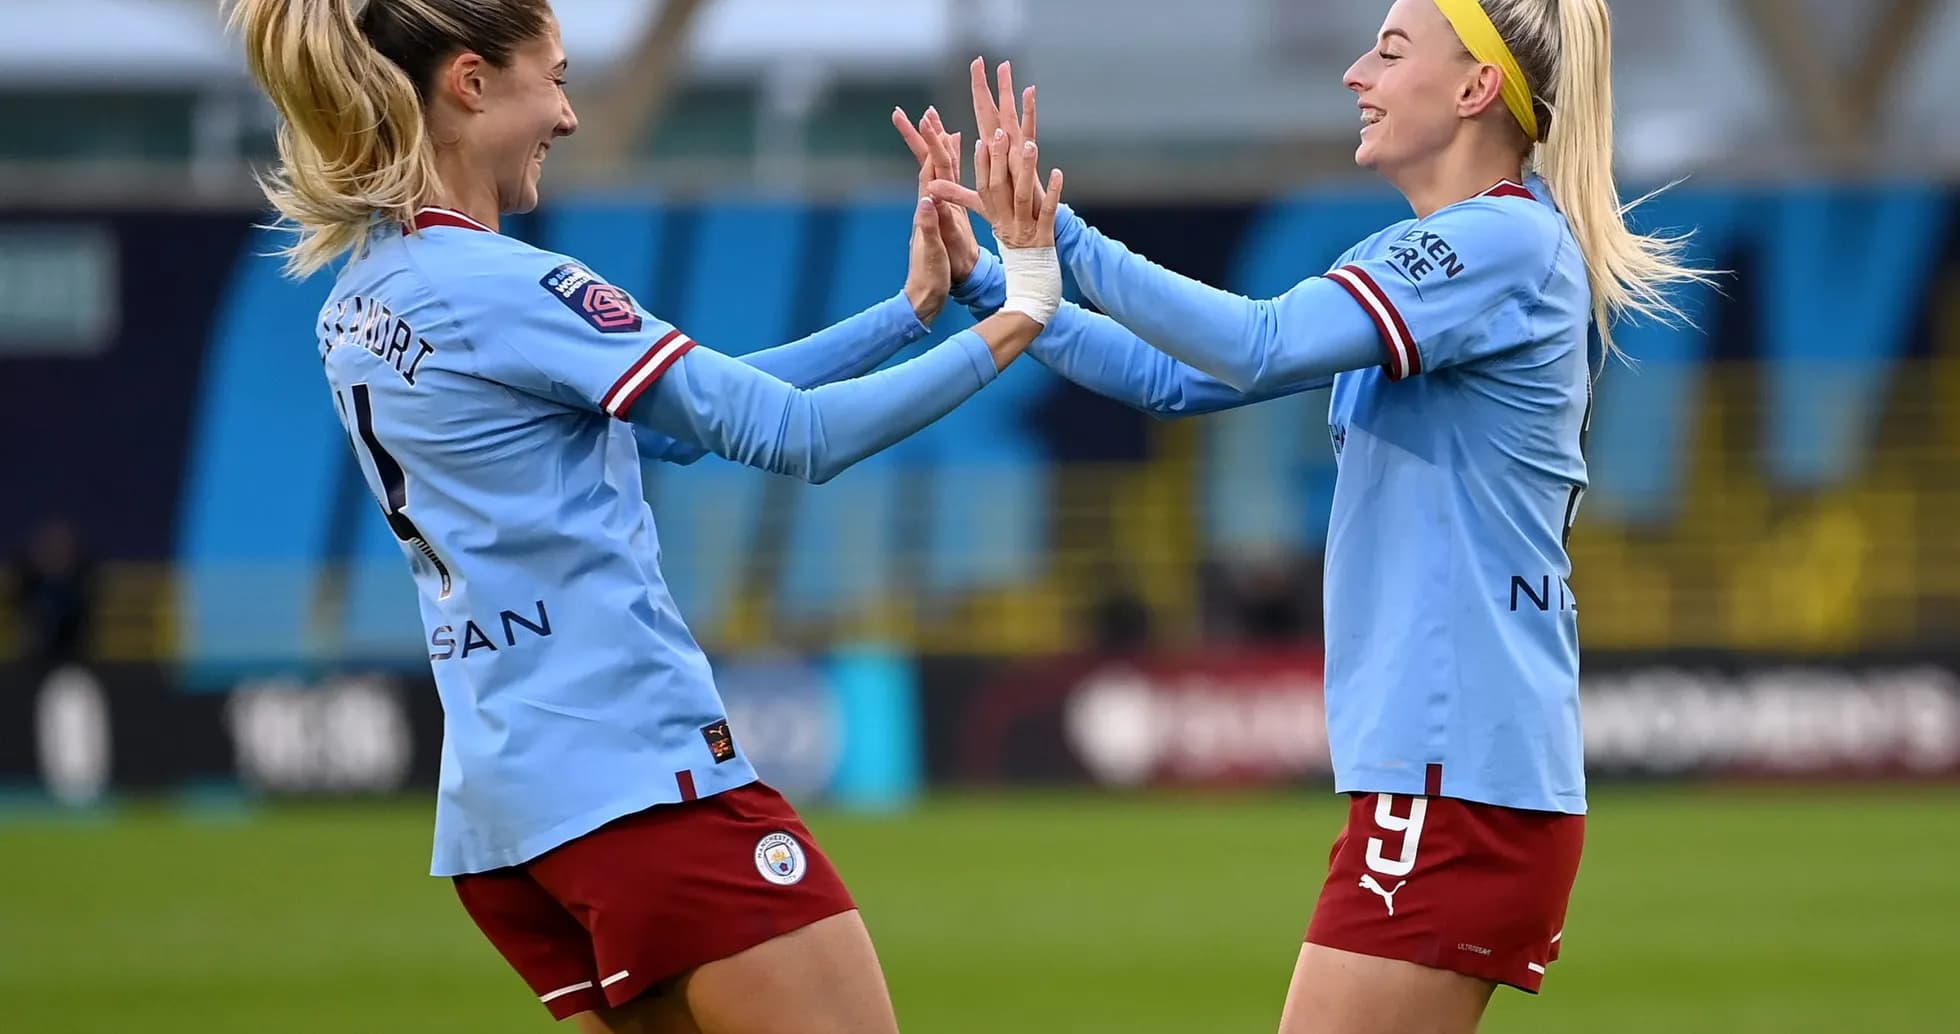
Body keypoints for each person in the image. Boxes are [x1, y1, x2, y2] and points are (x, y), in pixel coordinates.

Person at [223, 1, 1066, 1031]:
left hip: (505, 825)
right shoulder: (508, 285)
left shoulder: (359, 297)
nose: (568, 116)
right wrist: (1024, 308)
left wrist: (906, 317)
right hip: (636, 785)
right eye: (558, 77)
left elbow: (666, 428)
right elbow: (799, 435)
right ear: (472, 84)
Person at [924, 0, 1712, 1028]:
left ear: (1475, 89)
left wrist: (1058, 231)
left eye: (1389, 50)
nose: (1354, 73)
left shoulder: (1495, 244)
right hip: (1458, 770)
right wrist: (995, 279)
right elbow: (1173, 378)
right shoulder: (1455, 253)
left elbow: (1256, 342)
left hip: (1453, 771)